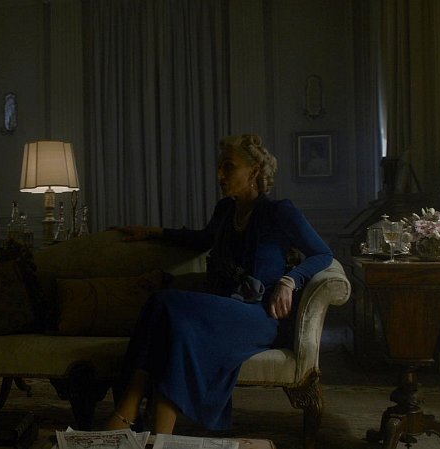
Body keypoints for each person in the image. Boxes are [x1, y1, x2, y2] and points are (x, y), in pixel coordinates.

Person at [106, 134, 333, 434]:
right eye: (219, 167)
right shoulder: (225, 210)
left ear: (254, 171)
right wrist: (152, 232)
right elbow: (202, 239)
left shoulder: (280, 211)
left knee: (164, 302)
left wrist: (289, 281)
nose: (219, 175)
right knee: (178, 328)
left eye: (229, 167)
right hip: (222, 307)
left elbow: (323, 254)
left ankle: (127, 412)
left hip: (258, 315)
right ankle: (160, 435)